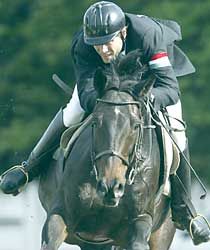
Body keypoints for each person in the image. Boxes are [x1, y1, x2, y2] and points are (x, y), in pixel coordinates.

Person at [1, 1, 210, 246]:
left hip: (149, 83)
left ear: (122, 32)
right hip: (104, 88)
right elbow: (87, 92)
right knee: (71, 114)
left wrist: (141, 100)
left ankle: (185, 210)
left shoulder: (148, 35)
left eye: (108, 41)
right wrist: (106, 101)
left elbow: (170, 88)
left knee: (176, 129)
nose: (103, 50)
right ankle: (28, 167)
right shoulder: (83, 45)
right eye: (97, 45)